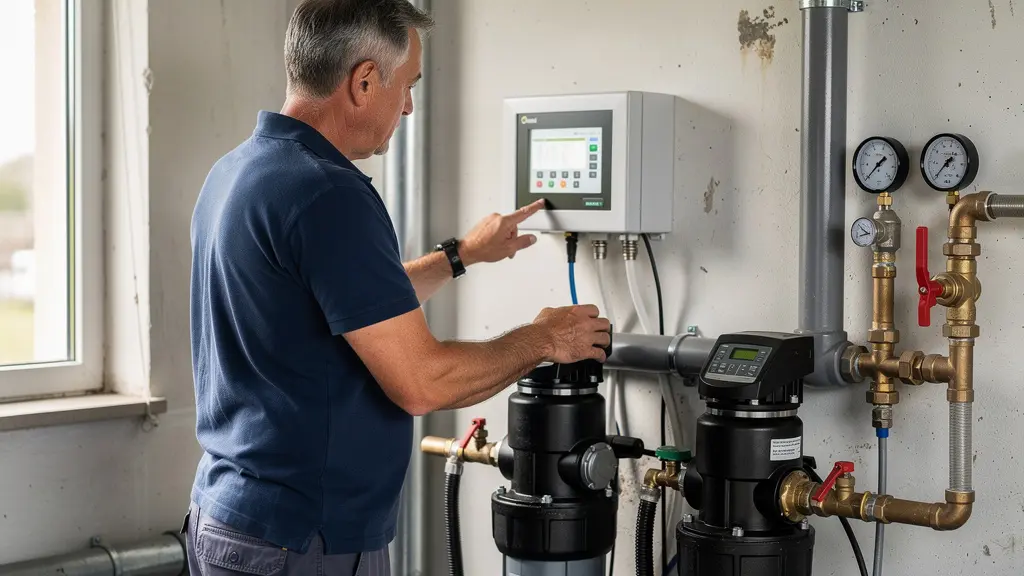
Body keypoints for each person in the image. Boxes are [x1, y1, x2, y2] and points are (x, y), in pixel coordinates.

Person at [183, 1, 611, 574]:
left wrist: (459, 256)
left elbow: (350, 308)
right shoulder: (329, 194)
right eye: (406, 85)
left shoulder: (241, 171)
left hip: (232, 518)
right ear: (363, 81)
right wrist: (544, 339)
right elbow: (421, 382)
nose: (409, 105)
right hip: (303, 541)